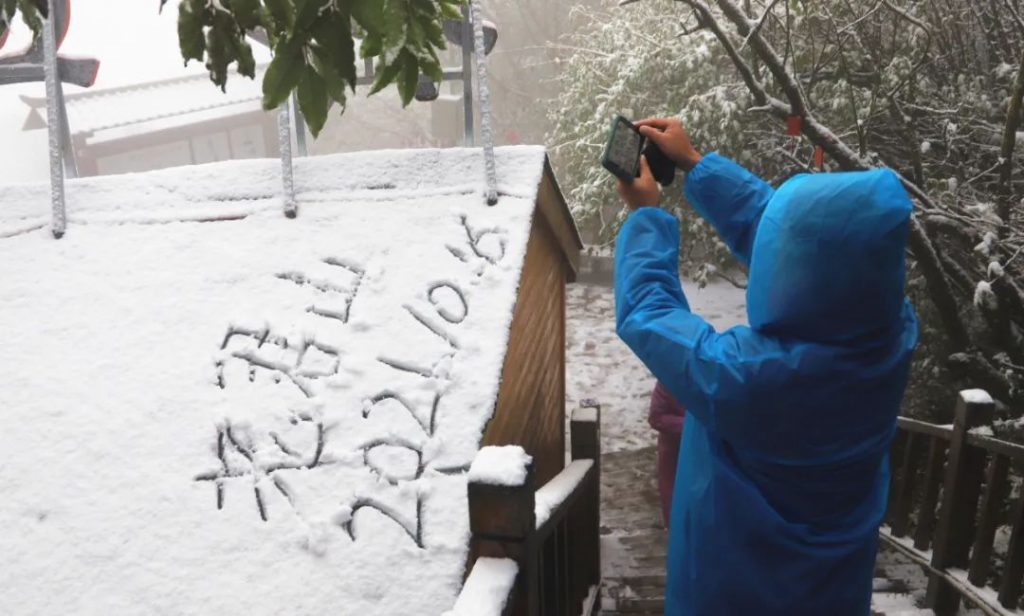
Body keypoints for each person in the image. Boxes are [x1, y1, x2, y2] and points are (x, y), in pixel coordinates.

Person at [613, 117, 917, 615]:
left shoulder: (747, 379)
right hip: (832, 594)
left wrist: (647, 216)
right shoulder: (892, 337)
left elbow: (648, 313)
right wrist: (697, 165)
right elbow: (805, 244)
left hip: (726, 595)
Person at [648, 381, 685, 527]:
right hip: (674, 452)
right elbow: (656, 418)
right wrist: (692, 426)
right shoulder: (668, 381)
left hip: (709, 452)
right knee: (674, 503)